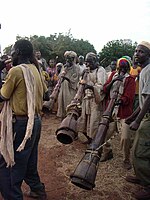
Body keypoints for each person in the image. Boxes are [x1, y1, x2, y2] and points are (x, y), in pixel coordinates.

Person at [0, 39, 49, 199]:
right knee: (29, 159)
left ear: (19, 52)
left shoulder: (16, 71)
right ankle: (37, 189)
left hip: (21, 124)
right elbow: (46, 94)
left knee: (9, 163)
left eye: (13, 51)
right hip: (35, 122)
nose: (11, 54)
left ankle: (13, 196)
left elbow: (2, 96)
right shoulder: (36, 68)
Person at [125, 41, 150, 200]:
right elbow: (143, 101)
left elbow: (149, 99)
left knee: (139, 152)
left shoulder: (148, 71)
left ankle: (147, 185)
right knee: (142, 149)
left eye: (141, 51)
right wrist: (132, 117)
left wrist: (137, 121)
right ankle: (142, 177)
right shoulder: (144, 70)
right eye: (135, 51)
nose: (136, 54)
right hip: (145, 115)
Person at [100, 57, 136, 170]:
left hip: (124, 113)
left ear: (128, 68)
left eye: (125, 68)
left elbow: (129, 98)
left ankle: (126, 160)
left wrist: (118, 100)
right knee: (104, 133)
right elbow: (105, 89)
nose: (122, 71)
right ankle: (107, 152)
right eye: (121, 68)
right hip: (111, 111)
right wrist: (114, 81)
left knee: (125, 138)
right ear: (118, 68)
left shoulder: (130, 79)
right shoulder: (113, 75)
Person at [77, 52, 107, 143]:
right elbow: (81, 84)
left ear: (95, 61)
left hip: (96, 100)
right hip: (87, 98)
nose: (87, 64)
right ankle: (87, 137)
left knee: (94, 120)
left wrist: (90, 86)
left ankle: (95, 140)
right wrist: (82, 76)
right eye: (86, 62)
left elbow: (101, 86)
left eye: (89, 62)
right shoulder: (86, 71)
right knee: (86, 118)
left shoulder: (100, 70)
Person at [57, 51, 80, 119]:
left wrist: (66, 78)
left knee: (69, 103)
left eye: (69, 58)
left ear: (73, 59)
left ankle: (69, 119)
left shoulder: (76, 68)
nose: (67, 60)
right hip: (63, 88)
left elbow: (75, 79)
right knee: (62, 102)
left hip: (70, 89)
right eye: (66, 58)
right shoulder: (64, 67)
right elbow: (59, 77)